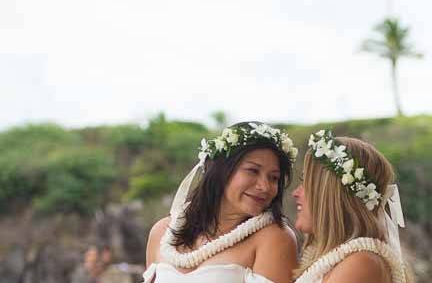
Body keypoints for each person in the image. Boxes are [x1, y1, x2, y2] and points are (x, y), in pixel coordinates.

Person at [143, 121, 299, 283]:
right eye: (253, 170)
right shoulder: (162, 232)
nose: (264, 186)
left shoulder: (275, 239)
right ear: (221, 171)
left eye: (274, 178)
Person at [292, 130, 409, 283]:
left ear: (331, 195)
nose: (295, 193)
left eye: (306, 181)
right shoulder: (336, 259)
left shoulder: (362, 263)